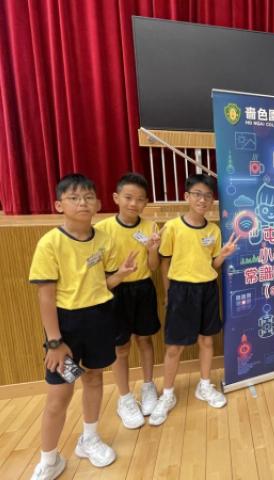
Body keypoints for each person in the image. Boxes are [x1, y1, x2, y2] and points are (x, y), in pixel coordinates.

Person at [29, 174, 137, 480]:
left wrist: (122, 274)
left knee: (93, 378)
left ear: (99, 204)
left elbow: (104, 283)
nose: (82, 203)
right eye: (74, 198)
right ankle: (49, 459)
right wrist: (54, 342)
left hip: (99, 317)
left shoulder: (104, 239)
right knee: (59, 397)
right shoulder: (50, 243)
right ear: (58, 205)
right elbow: (46, 296)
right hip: (65, 326)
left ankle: (89, 439)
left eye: (89, 197)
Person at [149, 174, 238, 426]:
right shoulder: (172, 227)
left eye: (208, 196)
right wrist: (169, 292)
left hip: (208, 289)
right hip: (180, 291)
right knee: (174, 346)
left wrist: (223, 254)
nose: (203, 200)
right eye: (197, 194)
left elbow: (214, 264)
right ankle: (167, 394)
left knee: (206, 341)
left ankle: (204, 385)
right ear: (187, 196)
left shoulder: (214, 230)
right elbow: (164, 263)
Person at [95, 173, 161, 429]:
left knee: (145, 340)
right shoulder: (102, 229)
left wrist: (152, 250)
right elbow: (98, 273)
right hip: (116, 290)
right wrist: (118, 275)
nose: (134, 203)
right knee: (120, 347)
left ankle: (148, 386)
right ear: (116, 198)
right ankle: (124, 398)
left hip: (143, 288)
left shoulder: (150, 227)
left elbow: (153, 267)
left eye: (140, 199)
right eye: (128, 197)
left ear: (146, 203)